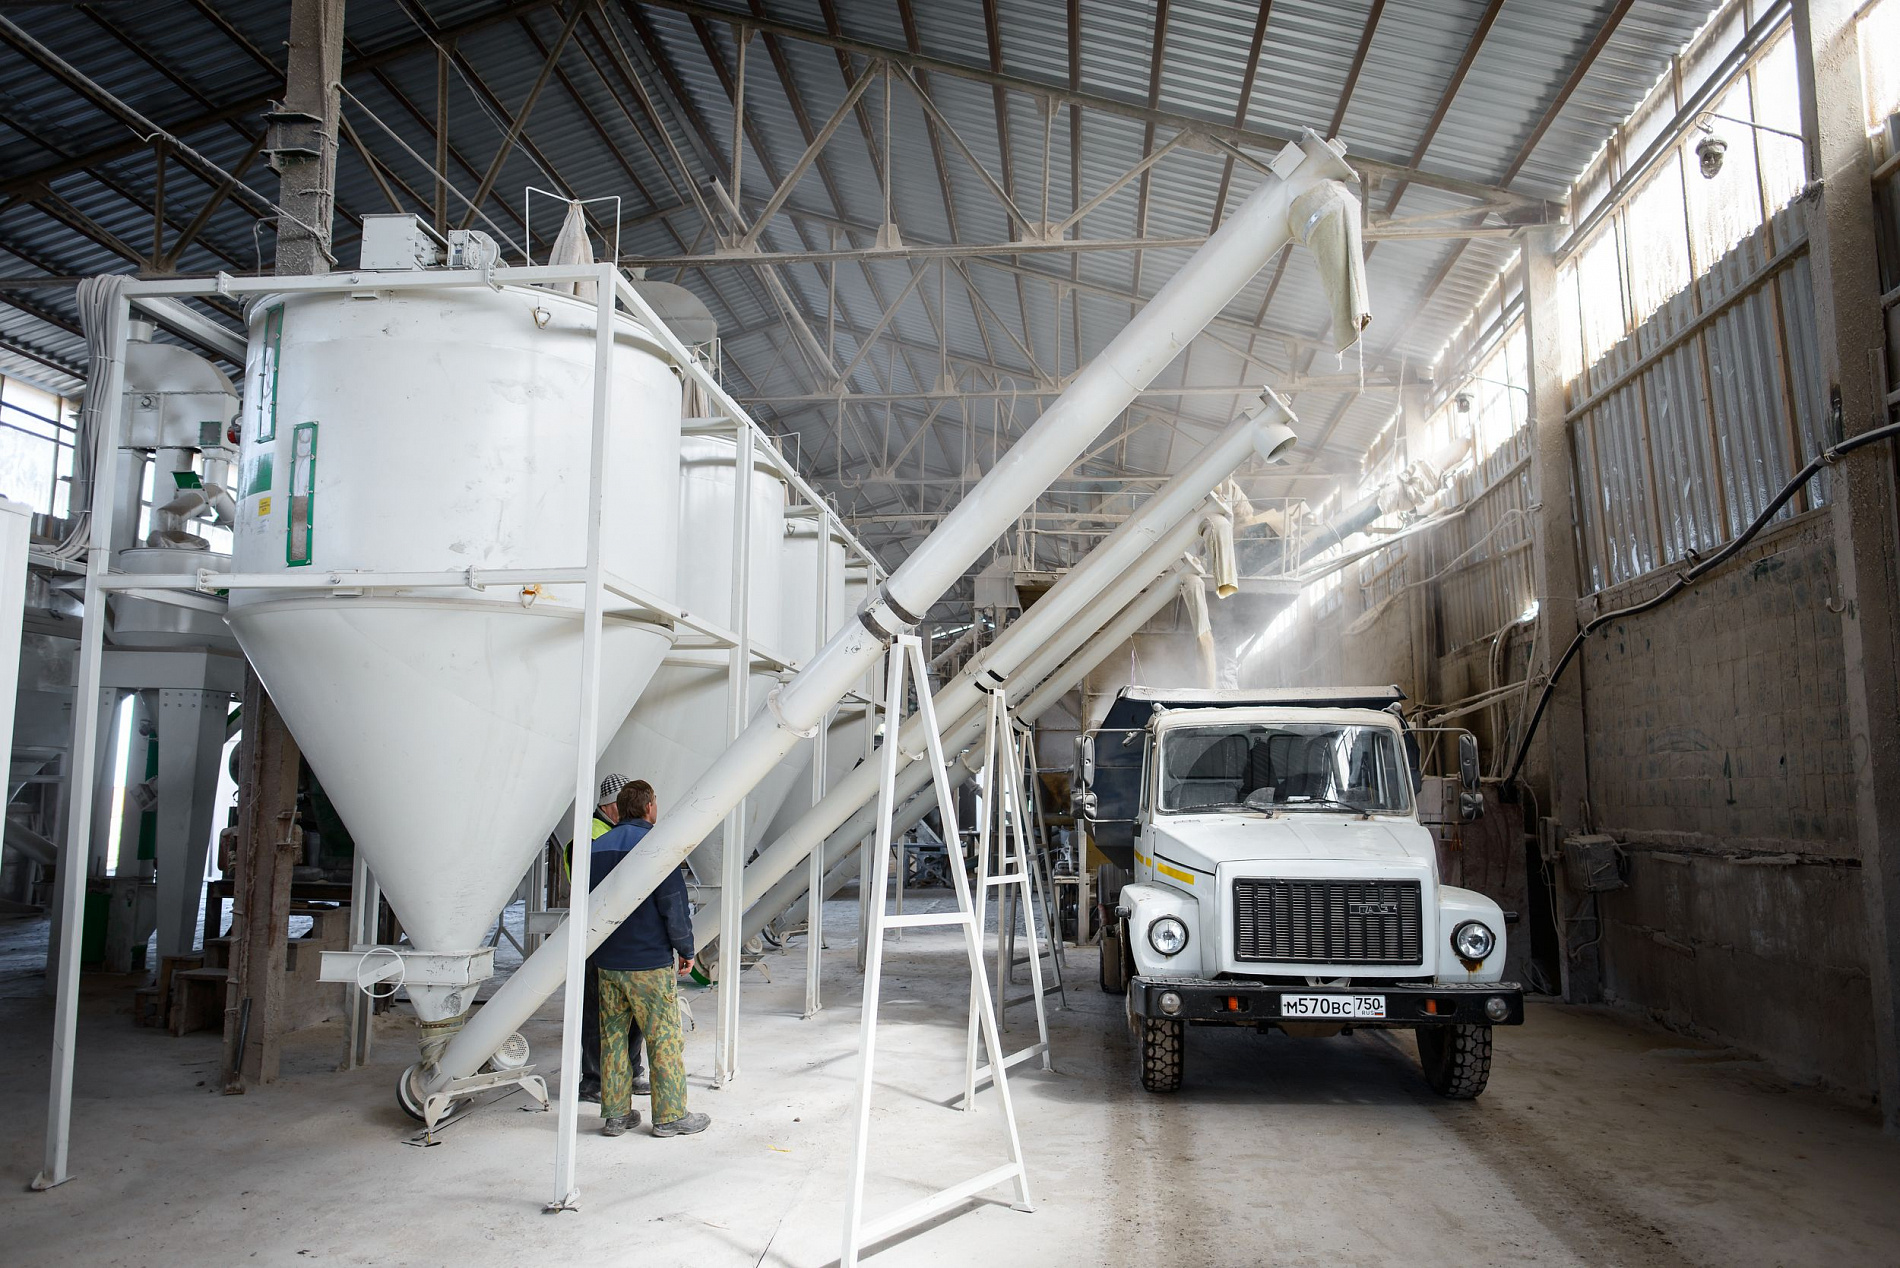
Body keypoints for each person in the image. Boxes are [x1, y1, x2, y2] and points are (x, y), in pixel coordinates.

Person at [590, 780, 709, 1138]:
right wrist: (686, 949)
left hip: (608, 961)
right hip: (648, 964)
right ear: (649, 807)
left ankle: (615, 1116)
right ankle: (670, 1116)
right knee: (664, 1038)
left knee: (612, 1038)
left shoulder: (597, 848)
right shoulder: (657, 847)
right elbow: (673, 905)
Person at [577, 774, 646, 1104]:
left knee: (630, 1011)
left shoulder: (619, 834)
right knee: (595, 1012)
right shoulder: (588, 836)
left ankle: (631, 1072)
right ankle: (592, 1079)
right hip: (594, 935)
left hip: (621, 933)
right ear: (609, 807)